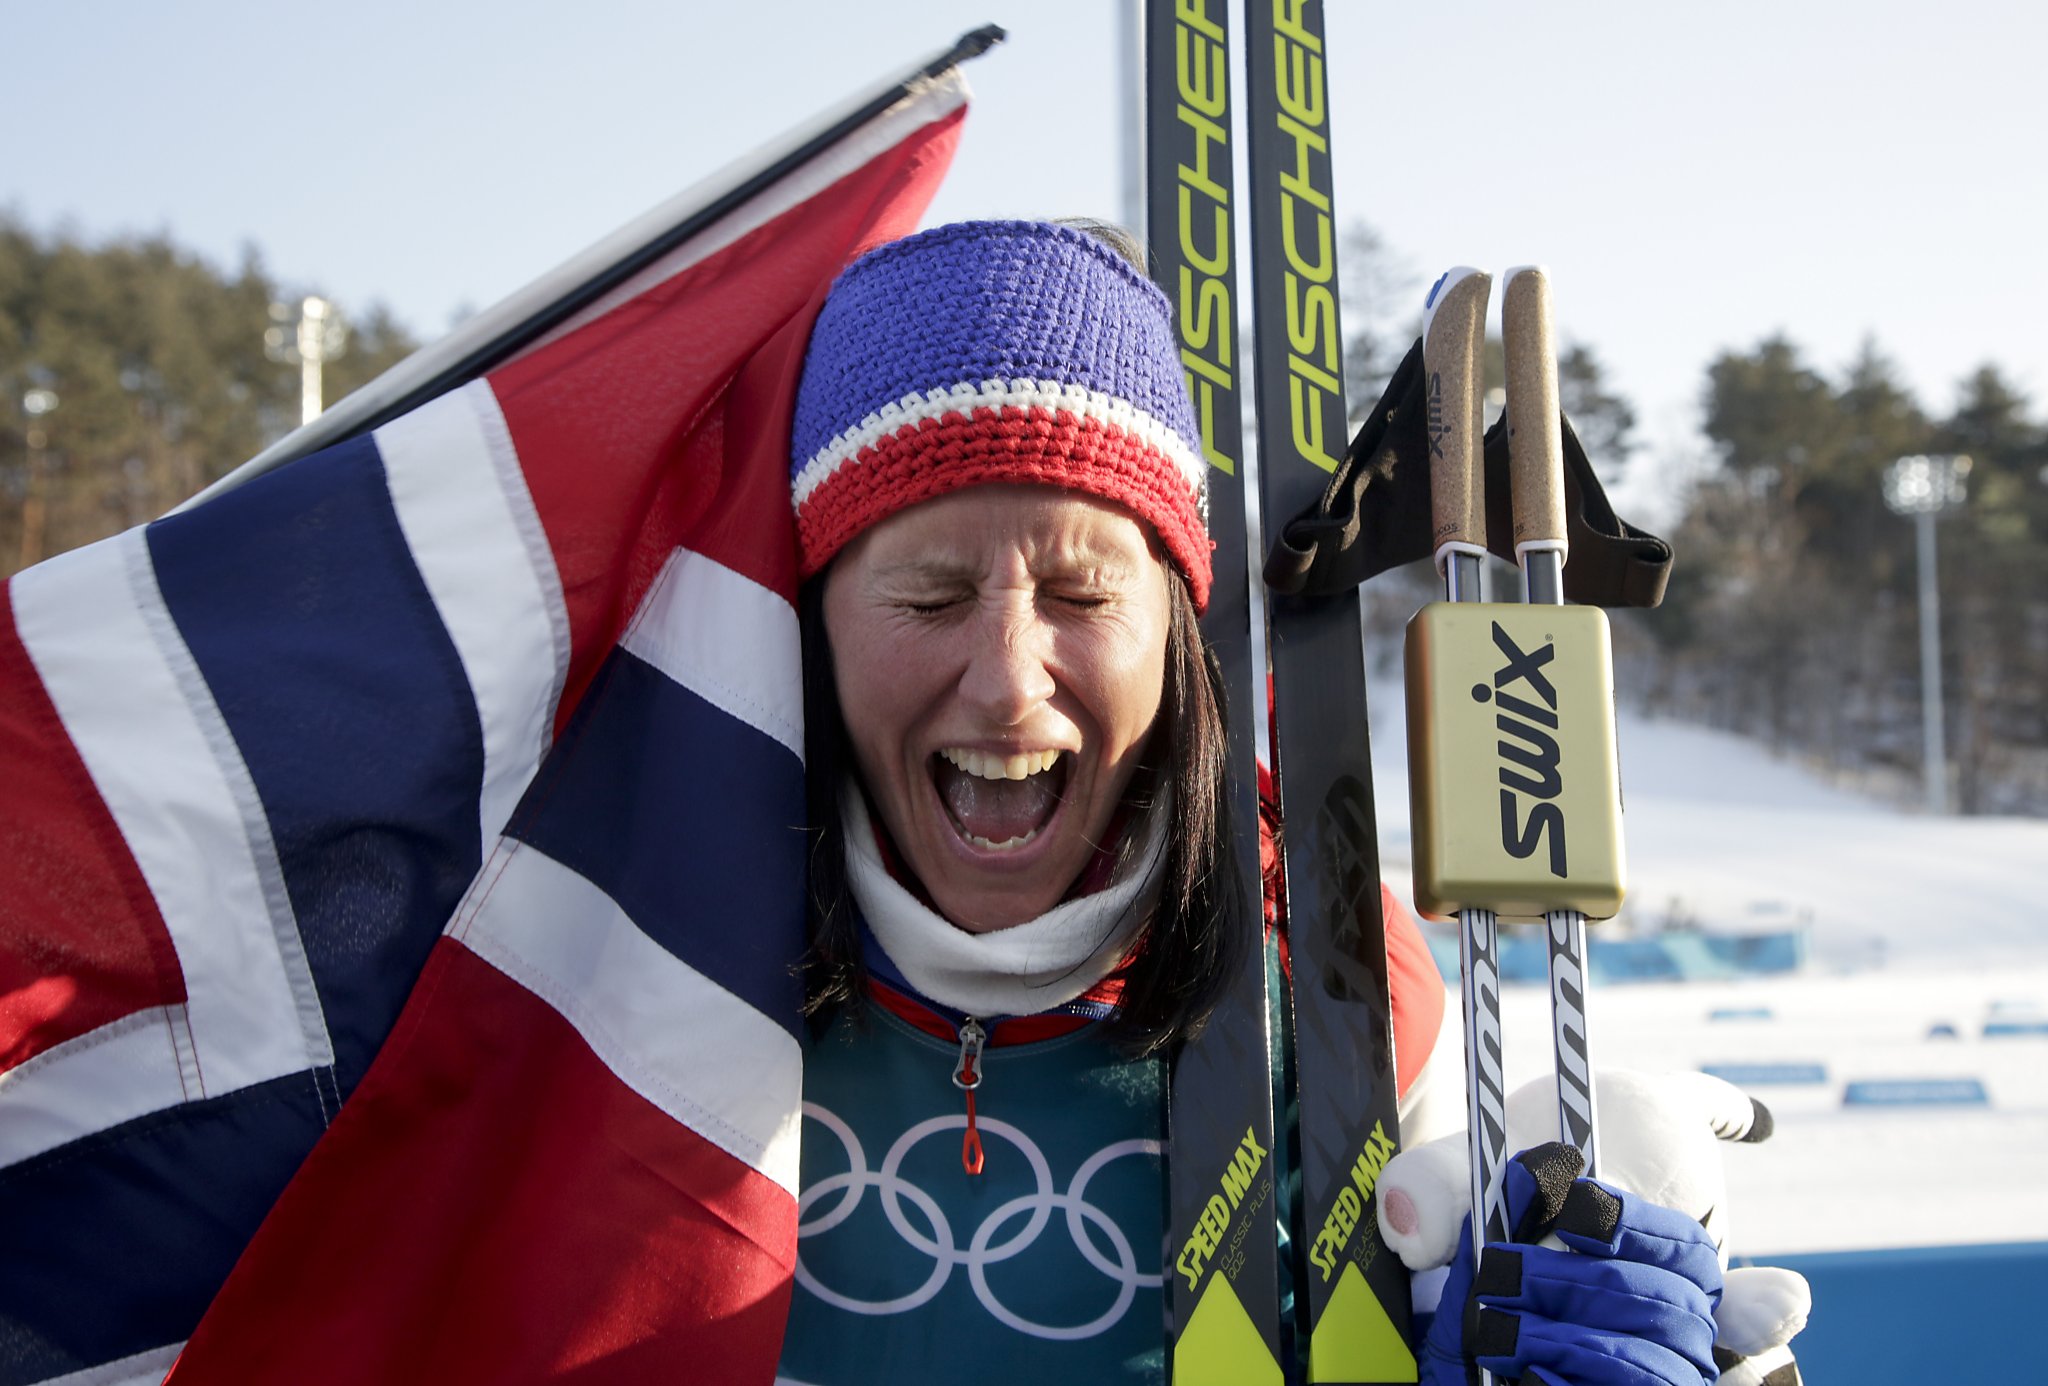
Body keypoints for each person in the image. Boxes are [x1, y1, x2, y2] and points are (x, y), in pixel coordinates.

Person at [771, 219, 1724, 1385]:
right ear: (811, 625)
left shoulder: (1340, 980)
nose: (1009, 682)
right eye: (924, 600)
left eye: (1080, 593)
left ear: (1175, 637)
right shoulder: (646, 962)